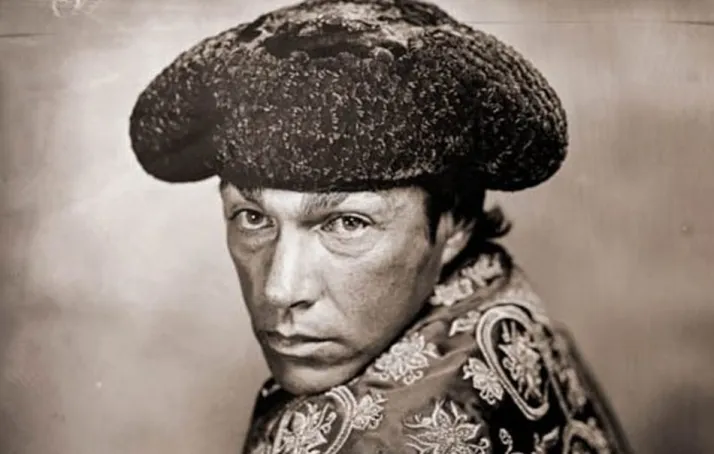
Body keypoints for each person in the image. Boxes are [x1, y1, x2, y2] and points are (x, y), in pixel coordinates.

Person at [128, 1, 633, 452]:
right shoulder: (497, 295)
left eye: (347, 223)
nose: (280, 290)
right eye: (253, 218)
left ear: (455, 220)